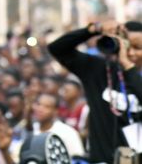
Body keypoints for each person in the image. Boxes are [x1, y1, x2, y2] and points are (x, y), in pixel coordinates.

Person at [48, 20, 142, 163]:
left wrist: (128, 67)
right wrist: (92, 30)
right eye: (126, 45)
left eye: (137, 47)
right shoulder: (99, 70)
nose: (129, 52)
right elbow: (57, 48)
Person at [31, 93, 85, 158]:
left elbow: (78, 160)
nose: (40, 109)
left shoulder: (67, 132)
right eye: (38, 104)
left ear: (55, 111)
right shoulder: (31, 129)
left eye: (46, 107)